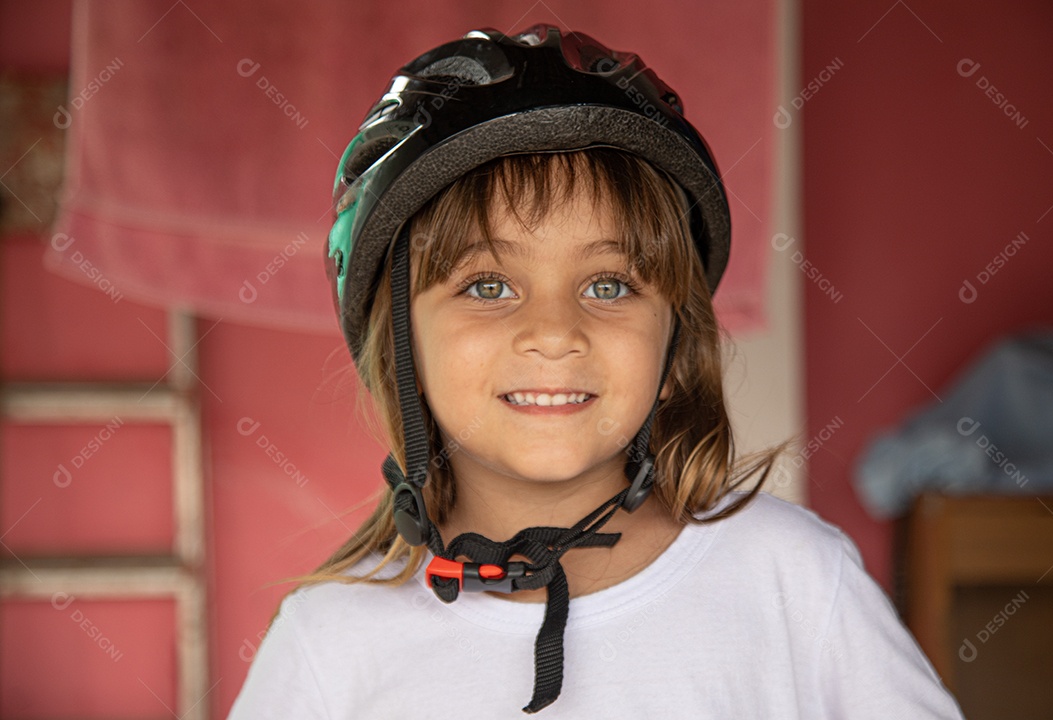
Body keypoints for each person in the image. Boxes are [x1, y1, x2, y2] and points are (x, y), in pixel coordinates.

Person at [228, 24, 965, 718]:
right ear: (402, 351)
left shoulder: (793, 581)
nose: (554, 333)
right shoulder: (327, 645)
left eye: (608, 285)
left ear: (676, 345)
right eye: (488, 286)